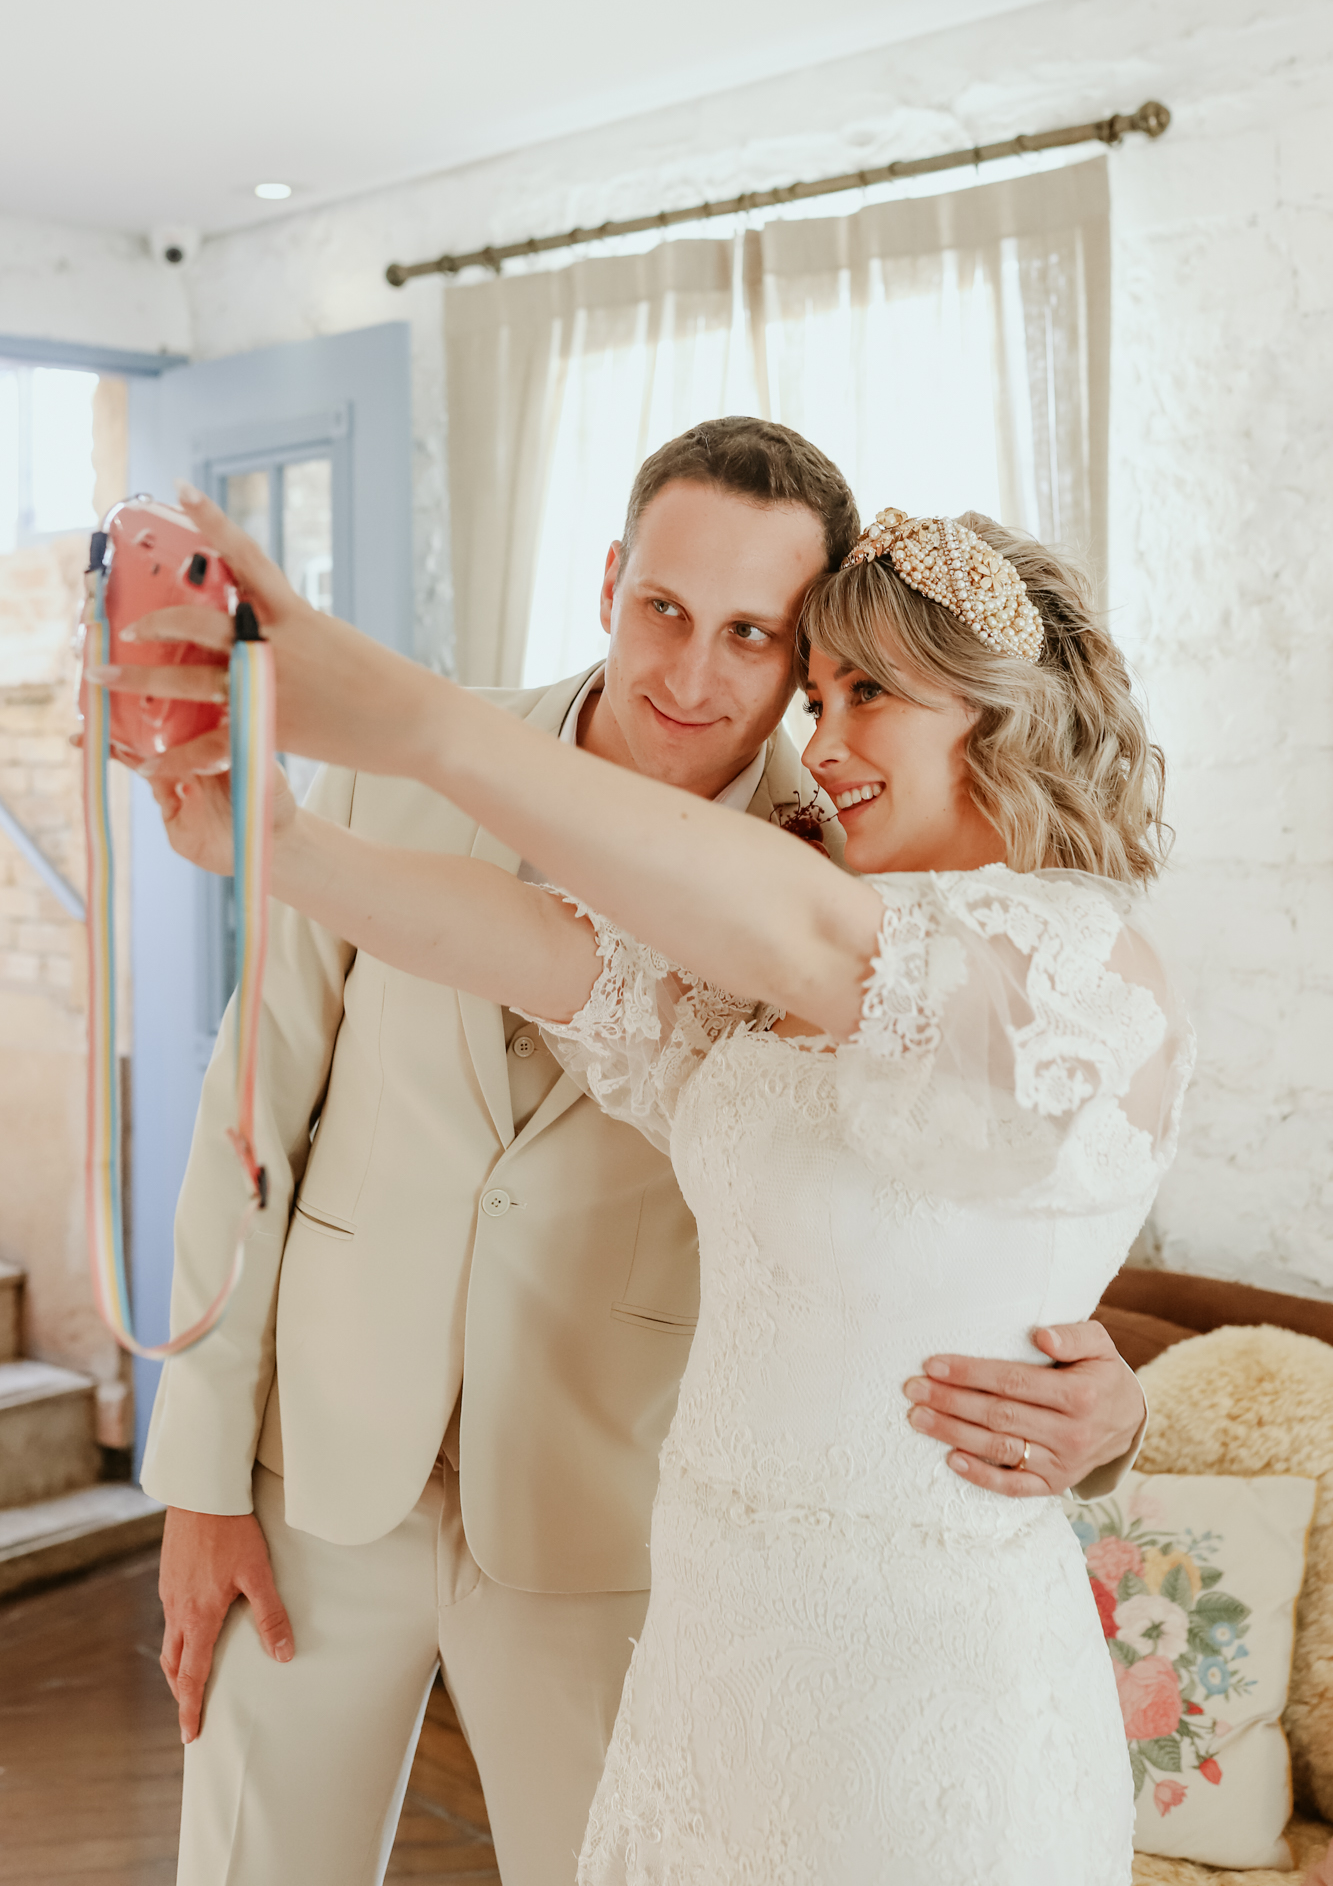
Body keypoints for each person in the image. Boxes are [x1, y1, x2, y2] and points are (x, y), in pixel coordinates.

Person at [121, 430, 1150, 1886]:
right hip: (363, 1484)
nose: (704, 678)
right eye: (665, 608)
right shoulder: (789, 924)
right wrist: (275, 837)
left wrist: (1114, 1406)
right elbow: (535, 967)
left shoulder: (875, 895)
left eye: (774, 648)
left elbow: (995, 1190)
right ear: (609, 579)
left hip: (655, 1548)